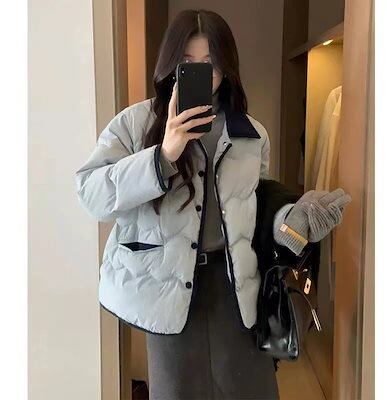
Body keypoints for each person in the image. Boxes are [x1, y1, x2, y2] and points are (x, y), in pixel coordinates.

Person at [75, 9, 351, 400]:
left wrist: (292, 219)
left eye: (211, 63)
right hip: (166, 287)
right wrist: (163, 155)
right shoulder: (137, 123)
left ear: (227, 66)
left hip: (234, 286)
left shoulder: (251, 134)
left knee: (251, 390)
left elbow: (254, 207)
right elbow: (91, 193)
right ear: (172, 65)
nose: (203, 74)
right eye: (189, 62)